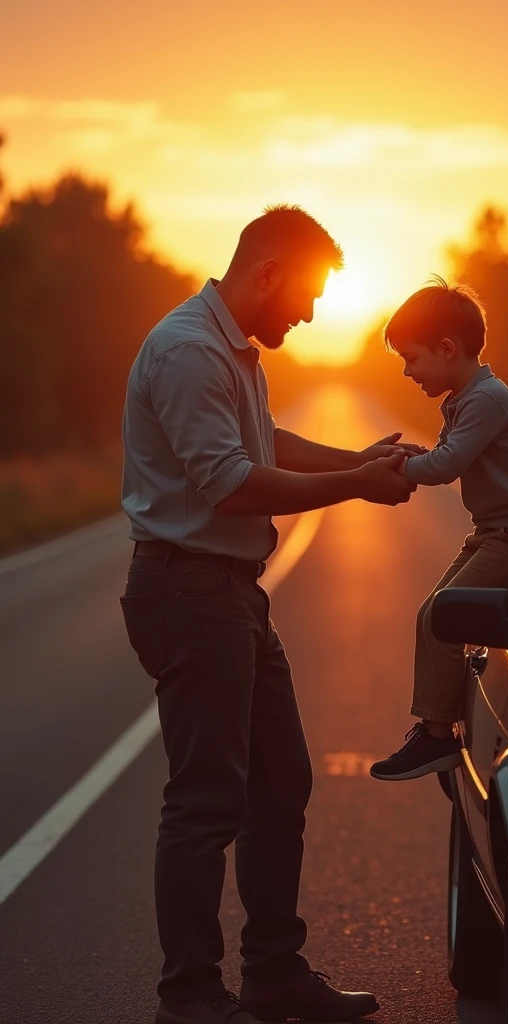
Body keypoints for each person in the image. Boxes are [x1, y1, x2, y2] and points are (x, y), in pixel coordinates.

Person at [119, 205, 416, 1024]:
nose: (309, 314)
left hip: (231, 592)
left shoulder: (234, 351)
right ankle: (189, 998)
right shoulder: (186, 351)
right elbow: (234, 483)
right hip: (189, 592)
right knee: (206, 800)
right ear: (268, 273)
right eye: (308, 296)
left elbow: (266, 443)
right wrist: (356, 486)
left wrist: (358, 457)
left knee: (279, 783)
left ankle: (274, 974)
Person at [370, 277, 508, 782]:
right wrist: (407, 457)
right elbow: (444, 455)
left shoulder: (486, 399)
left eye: (411, 358)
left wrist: (394, 472)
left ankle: (436, 736)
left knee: (444, 617)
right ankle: (434, 732)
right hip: (493, 530)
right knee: (434, 613)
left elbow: (448, 465)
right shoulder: (465, 397)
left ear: (447, 349)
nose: (407, 371)